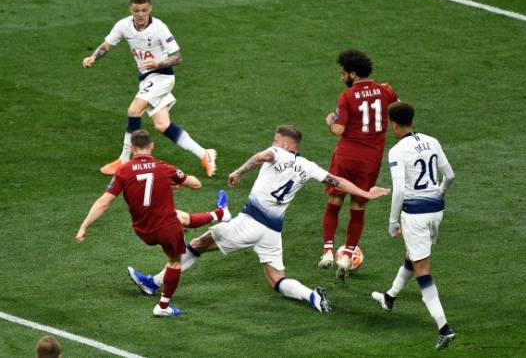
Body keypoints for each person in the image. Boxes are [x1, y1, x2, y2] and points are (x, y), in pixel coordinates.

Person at [129, 125, 390, 312]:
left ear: (287, 144)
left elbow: (261, 156)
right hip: (272, 231)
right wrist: (365, 192)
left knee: (198, 243)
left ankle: (153, 283)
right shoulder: (308, 166)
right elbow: (338, 181)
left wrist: (239, 171)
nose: (273, 143)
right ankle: (312, 296)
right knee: (276, 278)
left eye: (276, 140)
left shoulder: (277, 152)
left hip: (249, 222)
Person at [75, 129, 230, 317]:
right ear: (152, 146)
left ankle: (220, 213)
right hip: (166, 230)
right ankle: (163, 307)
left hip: (144, 230)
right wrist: (174, 182)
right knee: (174, 263)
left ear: (132, 148)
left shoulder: (123, 171)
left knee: (179, 216)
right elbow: (196, 183)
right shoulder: (163, 167)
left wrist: (84, 227)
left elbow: (104, 202)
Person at [82, 0, 216, 177]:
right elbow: (106, 46)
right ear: (131, 9)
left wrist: (158, 64)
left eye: (144, 10)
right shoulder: (123, 25)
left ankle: (123, 161)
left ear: (150, 9)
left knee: (133, 110)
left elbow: (178, 57)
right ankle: (204, 154)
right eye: (136, 10)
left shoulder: (159, 28)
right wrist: (93, 57)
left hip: (162, 76)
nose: (140, 14)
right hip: (147, 79)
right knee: (162, 125)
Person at [370, 101, 456, 350]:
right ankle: (389, 297)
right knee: (414, 255)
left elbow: (398, 190)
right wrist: (439, 193)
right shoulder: (432, 141)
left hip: (414, 215)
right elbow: (449, 176)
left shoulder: (397, 151)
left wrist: (392, 221)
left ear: (394, 125)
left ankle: (444, 328)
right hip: (436, 211)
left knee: (423, 269)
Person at [319, 49, 399, 279]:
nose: (341, 77)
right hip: (370, 160)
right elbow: (399, 107)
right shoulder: (386, 91)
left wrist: (329, 121)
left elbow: (338, 130)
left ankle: (327, 251)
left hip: (345, 157)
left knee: (335, 201)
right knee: (358, 208)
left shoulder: (346, 97)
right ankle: (347, 255)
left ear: (353, 74)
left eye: (343, 73)